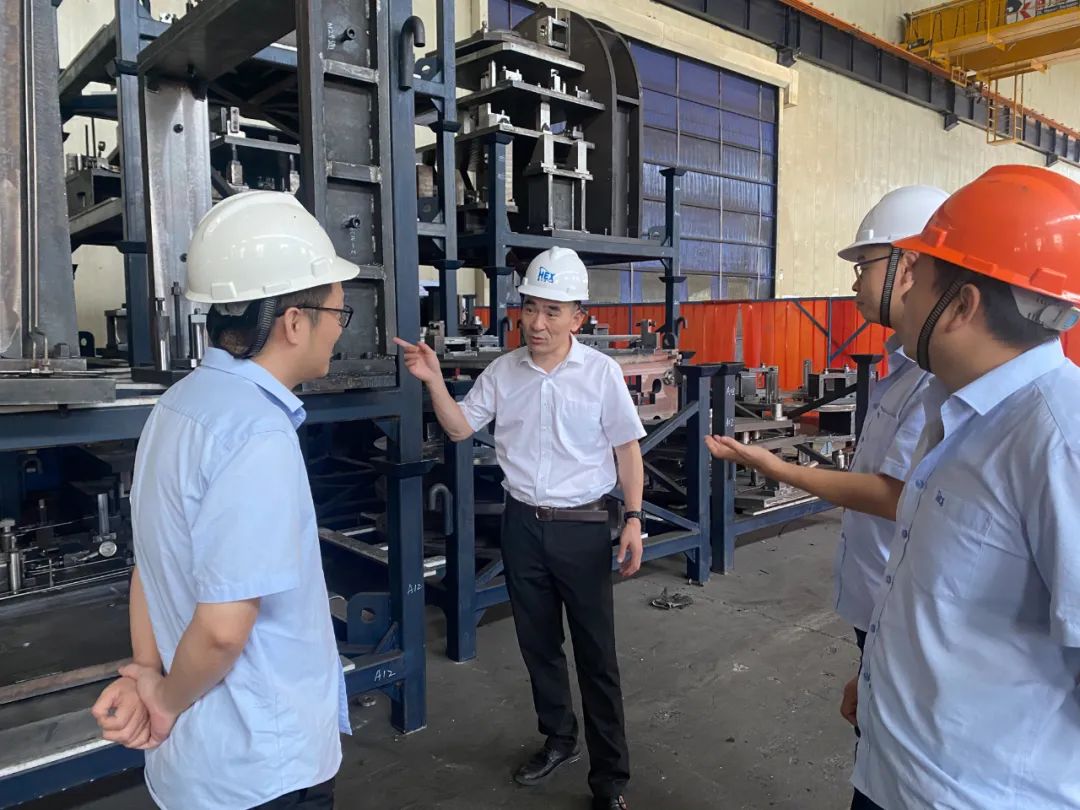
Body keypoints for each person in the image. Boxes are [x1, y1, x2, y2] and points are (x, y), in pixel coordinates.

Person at [91, 190, 358, 809]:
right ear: (295, 322)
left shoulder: (177, 406)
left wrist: (149, 672)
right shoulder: (256, 434)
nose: (338, 331)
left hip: (195, 766)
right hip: (260, 768)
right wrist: (162, 700)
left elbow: (148, 565)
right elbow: (220, 630)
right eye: (337, 313)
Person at [851, 165, 1080, 809]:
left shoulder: (1060, 442)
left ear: (962, 305)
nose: (902, 296)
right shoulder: (958, 409)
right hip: (891, 769)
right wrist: (876, 682)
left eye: (916, 277)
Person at [395, 246, 645, 810]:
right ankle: (559, 738)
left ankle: (610, 779)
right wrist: (433, 381)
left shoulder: (601, 374)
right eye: (530, 307)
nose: (537, 322)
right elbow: (460, 429)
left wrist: (633, 518)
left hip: (582, 527)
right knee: (538, 645)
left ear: (578, 317)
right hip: (523, 525)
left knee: (597, 656)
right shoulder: (504, 372)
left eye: (553, 311)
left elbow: (627, 450)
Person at [703, 186, 946, 738]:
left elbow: (893, 494)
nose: (855, 282)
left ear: (910, 267)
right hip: (881, 602)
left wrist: (778, 467)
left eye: (865, 265)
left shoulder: (938, 384)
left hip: (902, 606)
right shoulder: (902, 370)